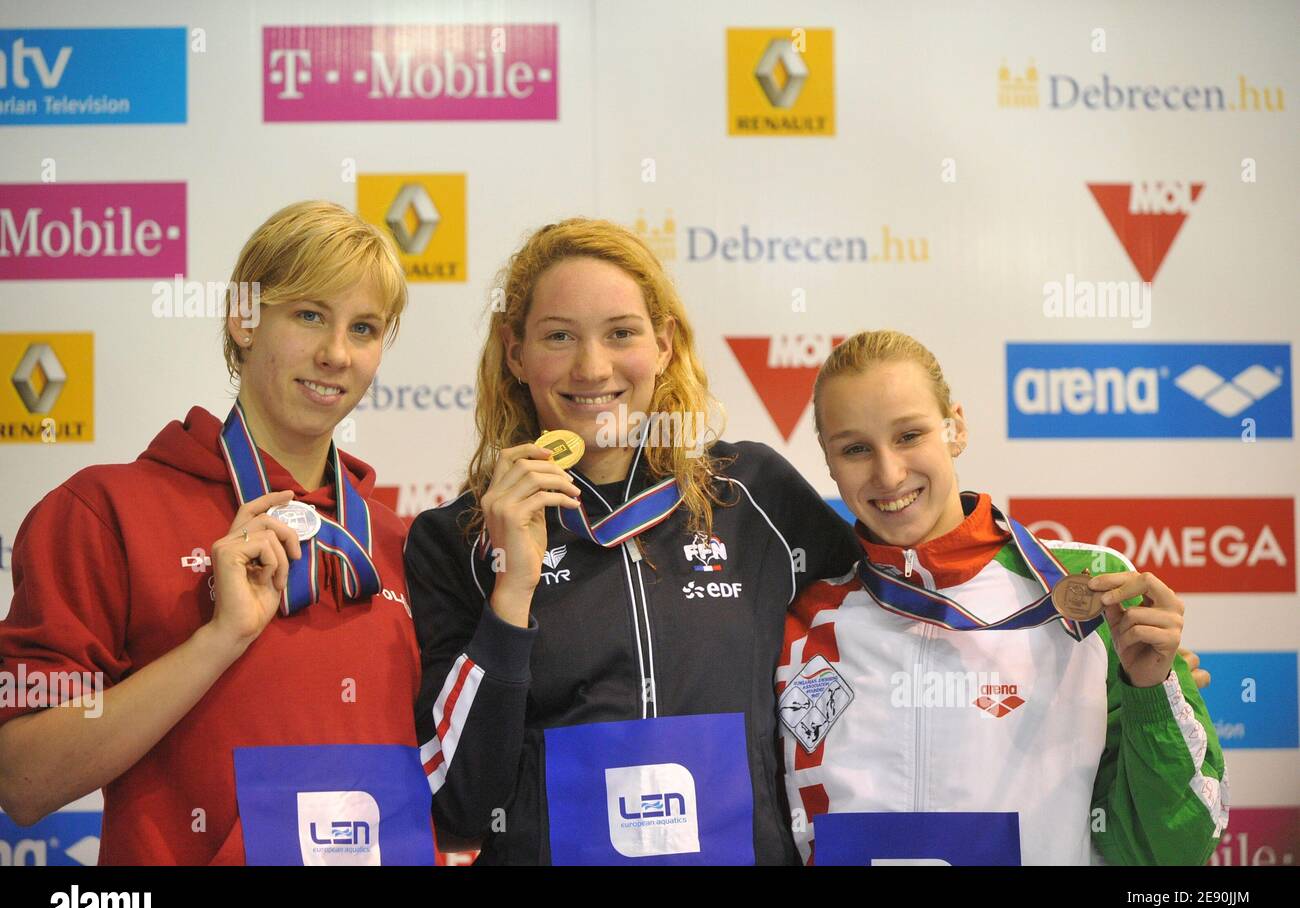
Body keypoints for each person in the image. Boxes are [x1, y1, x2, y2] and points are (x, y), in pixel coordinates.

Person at [404, 219, 861, 865]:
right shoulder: (458, 539)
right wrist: (512, 589)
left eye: (621, 332)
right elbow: (458, 809)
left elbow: (895, 601)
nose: (592, 367)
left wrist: (1028, 568)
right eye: (558, 335)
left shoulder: (753, 495)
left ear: (665, 343)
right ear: (516, 354)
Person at [0, 201, 434, 865]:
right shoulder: (104, 510)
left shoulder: (399, 541)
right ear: (245, 317)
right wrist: (218, 639)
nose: (336, 353)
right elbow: (23, 781)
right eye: (309, 314)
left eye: (365, 328)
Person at [778, 330, 1228, 865]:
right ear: (828, 461)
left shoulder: (1087, 590)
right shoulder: (803, 618)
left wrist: (1152, 692)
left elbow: (1171, 851)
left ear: (956, 428)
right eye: (855, 448)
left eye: (909, 435)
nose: (889, 473)